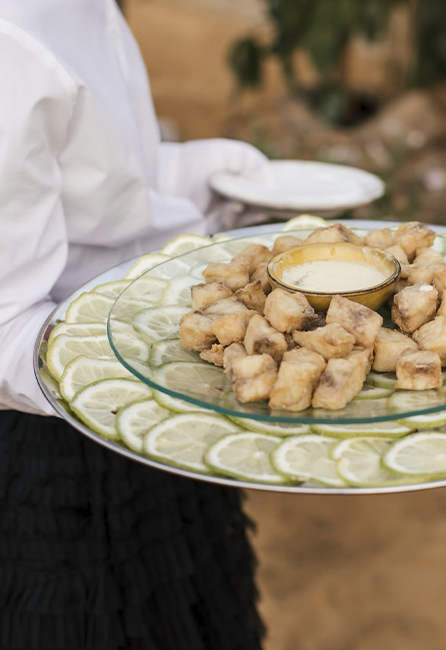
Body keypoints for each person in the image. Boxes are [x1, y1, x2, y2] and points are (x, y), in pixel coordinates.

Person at [0, 1, 269, 648]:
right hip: (53, 459)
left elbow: (88, 179)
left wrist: (205, 178)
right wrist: (184, 345)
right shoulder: (12, 42)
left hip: (146, 423)